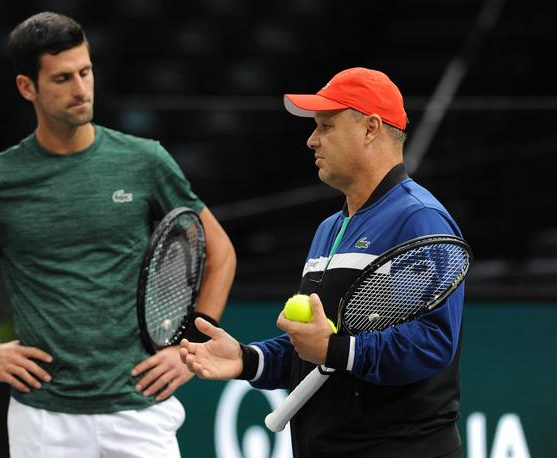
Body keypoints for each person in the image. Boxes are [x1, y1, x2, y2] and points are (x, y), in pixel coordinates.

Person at [0, 12, 236, 458]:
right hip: (43, 420)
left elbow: (221, 253)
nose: (80, 90)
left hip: (140, 412)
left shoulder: (145, 161)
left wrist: (190, 350)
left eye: (85, 72)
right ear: (27, 87)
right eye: (62, 78)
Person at [180, 67, 465, 458]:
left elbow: (432, 344)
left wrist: (335, 350)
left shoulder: (419, 219)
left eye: (326, 126)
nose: (312, 140)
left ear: (370, 128)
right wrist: (247, 359)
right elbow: (314, 347)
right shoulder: (329, 228)